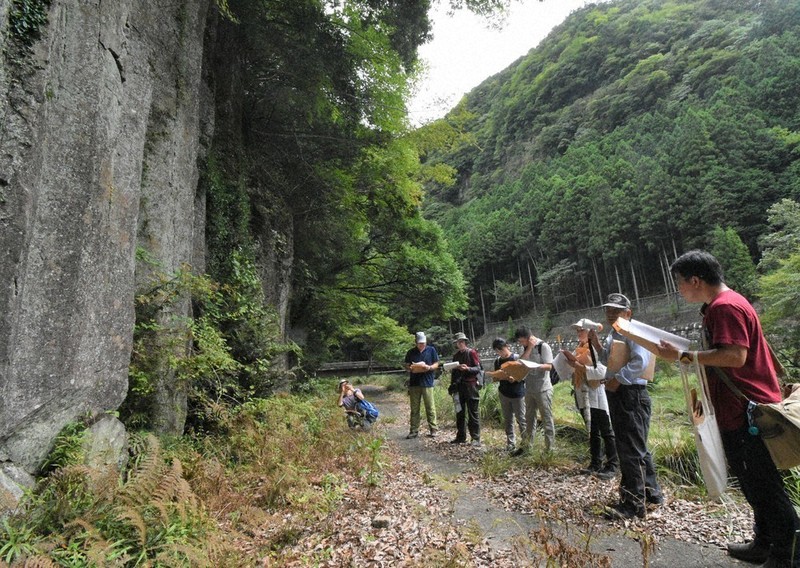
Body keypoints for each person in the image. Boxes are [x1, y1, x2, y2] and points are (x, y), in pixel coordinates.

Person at [658, 250, 799, 568]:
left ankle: (786, 555)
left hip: (747, 410)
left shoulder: (725, 307)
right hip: (739, 409)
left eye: (680, 284)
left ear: (695, 280)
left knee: (765, 487)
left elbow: (735, 356)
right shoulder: (722, 305)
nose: (680, 291)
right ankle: (763, 543)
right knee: (754, 483)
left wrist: (685, 357)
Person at [591, 293, 663, 520]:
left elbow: (639, 362)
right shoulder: (616, 333)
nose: (611, 314)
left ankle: (633, 504)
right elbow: (608, 360)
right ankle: (652, 494)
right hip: (622, 393)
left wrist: (617, 380)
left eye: (616, 310)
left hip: (630, 394)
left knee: (629, 449)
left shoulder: (633, 331)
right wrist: (596, 344)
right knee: (636, 446)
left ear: (628, 313)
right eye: (608, 310)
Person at [563, 319, 618, 479]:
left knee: (606, 430)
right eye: (578, 331)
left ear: (590, 332)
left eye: (582, 330)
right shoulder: (579, 349)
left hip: (596, 392)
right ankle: (595, 462)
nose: (579, 333)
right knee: (592, 430)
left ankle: (612, 464)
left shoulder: (596, 349)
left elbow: (604, 370)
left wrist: (580, 367)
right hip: (582, 390)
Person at [514, 326, 555, 452]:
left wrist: (535, 366)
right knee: (529, 419)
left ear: (529, 338)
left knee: (546, 419)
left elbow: (549, 366)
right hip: (529, 388)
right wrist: (529, 348)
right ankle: (527, 446)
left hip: (543, 388)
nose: (521, 344)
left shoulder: (543, 346)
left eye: (522, 341)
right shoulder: (526, 347)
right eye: (519, 342)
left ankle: (550, 449)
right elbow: (521, 362)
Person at [492, 338, 526, 452]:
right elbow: (496, 376)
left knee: (521, 419)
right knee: (508, 420)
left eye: (501, 350)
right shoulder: (497, 361)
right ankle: (511, 443)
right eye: (497, 351)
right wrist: (496, 377)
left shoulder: (516, 358)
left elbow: (523, 375)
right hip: (504, 392)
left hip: (518, 393)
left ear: (507, 346)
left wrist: (514, 378)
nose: (500, 353)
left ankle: (526, 442)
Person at [448, 332, 482, 447]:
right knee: (460, 413)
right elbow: (454, 372)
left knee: (473, 412)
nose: (460, 344)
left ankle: (476, 438)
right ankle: (461, 436)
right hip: (459, 386)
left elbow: (478, 368)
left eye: (462, 342)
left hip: (471, 385)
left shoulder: (471, 352)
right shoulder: (456, 356)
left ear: (465, 342)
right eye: (458, 342)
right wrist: (452, 385)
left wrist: (467, 369)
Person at [403, 331, 439, 439]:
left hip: (427, 382)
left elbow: (436, 363)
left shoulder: (431, 350)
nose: (421, 345)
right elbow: (406, 365)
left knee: (430, 407)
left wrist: (429, 367)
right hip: (414, 383)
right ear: (416, 342)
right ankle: (414, 430)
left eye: (423, 343)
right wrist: (411, 368)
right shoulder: (411, 352)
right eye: (419, 343)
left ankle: (433, 429)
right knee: (414, 408)